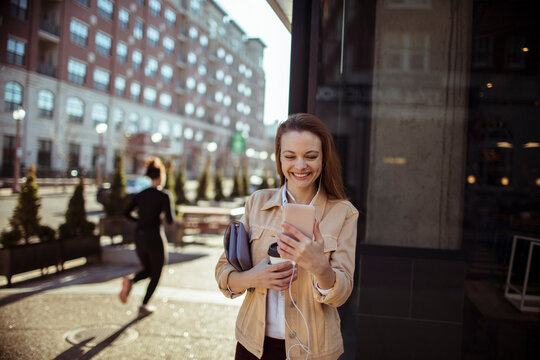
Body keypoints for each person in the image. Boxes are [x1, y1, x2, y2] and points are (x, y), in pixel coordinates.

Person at [215, 113, 359, 360]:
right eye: (290, 156)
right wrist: (253, 278)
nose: (300, 166)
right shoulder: (257, 202)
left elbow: (341, 294)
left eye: (311, 156)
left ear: (324, 158)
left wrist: (320, 267)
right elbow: (223, 273)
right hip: (253, 345)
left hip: (314, 351)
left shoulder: (343, 213)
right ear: (279, 158)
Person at [120, 157, 175, 316]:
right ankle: (143, 306)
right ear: (161, 176)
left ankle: (131, 280)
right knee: (156, 273)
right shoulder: (164, 195)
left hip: (139, 237)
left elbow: (126, 213)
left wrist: (140, 220)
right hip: (154, 237)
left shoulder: (141, 194)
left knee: (148, 269)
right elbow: (171, 221)